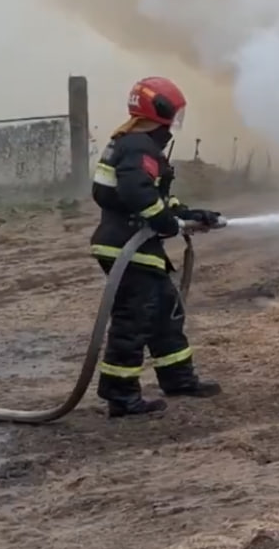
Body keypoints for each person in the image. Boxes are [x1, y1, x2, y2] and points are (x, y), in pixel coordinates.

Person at [89, 76, 223, 417]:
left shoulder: (132, 143)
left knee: (165, 310)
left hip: (134, 246)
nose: (176, 122)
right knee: (134, 319)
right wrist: (167, 223)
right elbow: (137, 193)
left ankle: (178, 379)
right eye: (175, 113)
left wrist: (189, 215)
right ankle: (120, 395)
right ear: (160, 110)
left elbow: (154, 196)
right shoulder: (138, 146)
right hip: (126, 247)